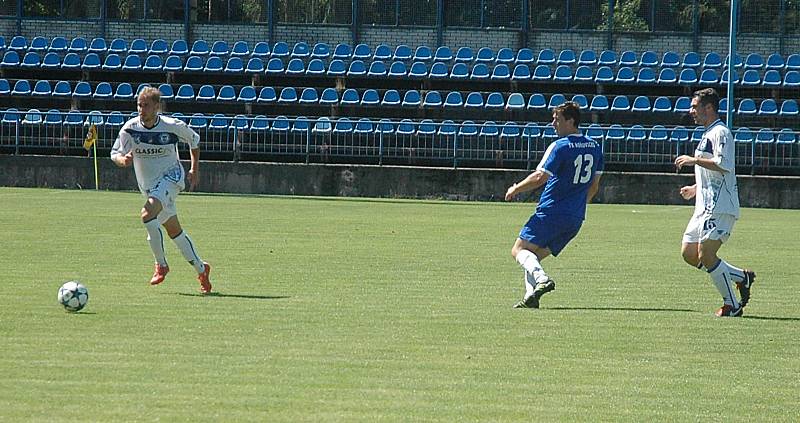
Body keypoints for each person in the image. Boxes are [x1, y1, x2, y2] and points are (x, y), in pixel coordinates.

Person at [110, 86, 213, 294]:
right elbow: (115, 153)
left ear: (157, 107)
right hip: (149, 187)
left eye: (146, 105)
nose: (142, 109)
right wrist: (123, 160)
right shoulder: (130, 129)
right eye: (139, 105)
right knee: (174, 231)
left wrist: (194, 169)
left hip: (172, 178)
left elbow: (195, 140)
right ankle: (202, 269)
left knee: (147, 214)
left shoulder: (172, 126)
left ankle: (161, 265)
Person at [505, 101, 603, 308]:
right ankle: (530, 297)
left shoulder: (560, 146)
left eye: (557, 119)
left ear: (571, 121)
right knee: (532, 257)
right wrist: (576, 206)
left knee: (518, 250)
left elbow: (540, 176)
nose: (553, 124)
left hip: (551, 212)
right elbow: (594, 187)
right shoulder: (595, 147)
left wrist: (516, 188)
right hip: (575, 218)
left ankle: (542, 280)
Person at [674, 88, 754, 317]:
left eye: (694, 107)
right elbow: (714, 173)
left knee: (706, 254)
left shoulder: (721, 132)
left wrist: (692, 160)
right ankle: (741, 277)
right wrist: (696, 188)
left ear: (708, 108)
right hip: (704, 207)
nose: (691, 111)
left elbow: (724, 164)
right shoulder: (707, 133)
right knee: (689, 253)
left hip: (721, 207)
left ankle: (732, 305)